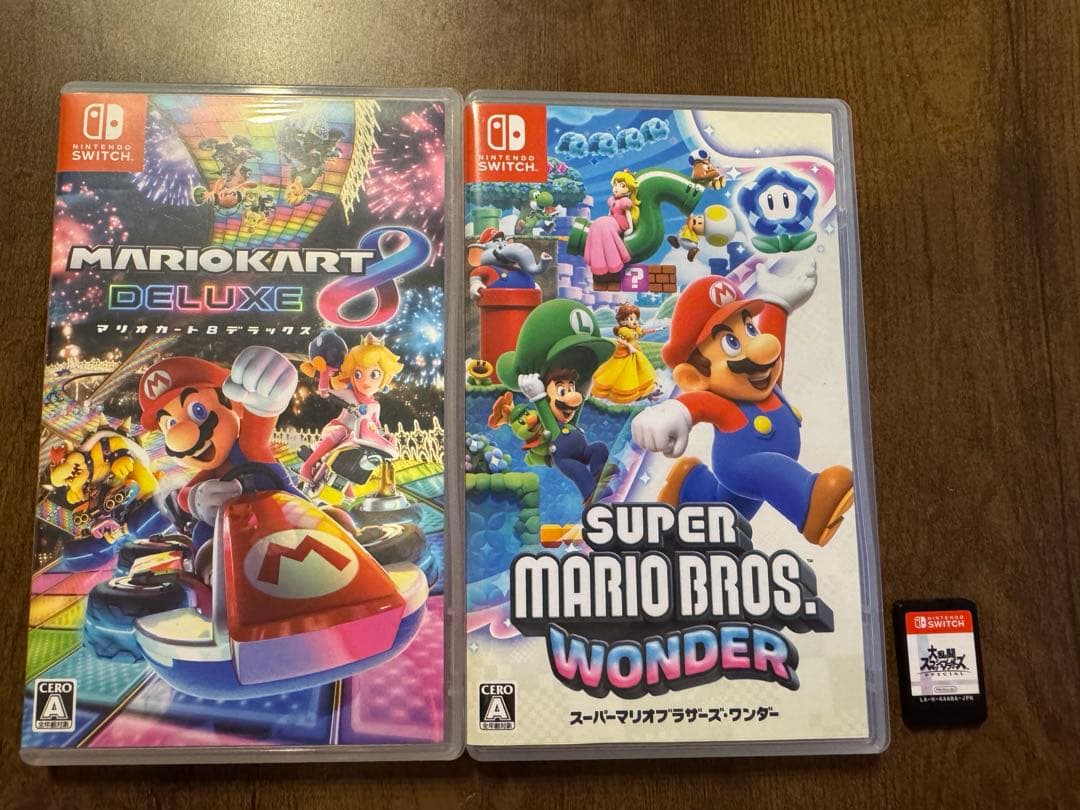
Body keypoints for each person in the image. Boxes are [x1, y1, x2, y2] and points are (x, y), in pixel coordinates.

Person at [591, 302, 658, 403]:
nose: (634, 321)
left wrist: (652, 330)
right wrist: (629, 346)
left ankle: (644, 392)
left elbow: (640, 333)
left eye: (635, 319)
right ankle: (627, 393)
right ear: (623, 321)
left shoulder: (635, 329)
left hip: (635, 353)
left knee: (640, 371)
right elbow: (620, 340)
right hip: (624, 353)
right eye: (631, 319)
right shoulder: (623, 331)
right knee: (623, 372)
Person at [583, 170, 639, 277]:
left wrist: (630, 228)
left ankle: (614, 262)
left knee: (604, 226)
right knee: (598, 223)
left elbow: (628, 215)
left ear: (629, 190)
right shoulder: (613, 200)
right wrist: (607, 218)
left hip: (620, 224)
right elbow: (610, 213)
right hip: (611, 220)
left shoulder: (624, 202)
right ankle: (597, 263)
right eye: (615, 185)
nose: (617, 188)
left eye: (622, 185)